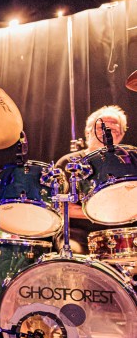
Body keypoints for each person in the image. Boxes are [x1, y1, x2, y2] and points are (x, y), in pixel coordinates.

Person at [54, 105, 129, 253]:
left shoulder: (128, 164)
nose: (107, 132)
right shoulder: (69, 162)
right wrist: (101, 214)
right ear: (88, 132)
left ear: (120, 136)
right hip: (79, 232)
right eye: (101, 127)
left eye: (114, 129)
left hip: (121, 232)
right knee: (73, 253)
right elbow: (59, 207)